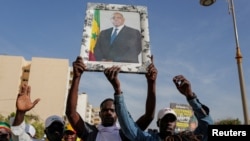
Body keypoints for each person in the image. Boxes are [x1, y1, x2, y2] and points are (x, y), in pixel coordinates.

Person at [104, 66, 213, 141]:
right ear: (158, 123)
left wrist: (190, 97)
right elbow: (129, 128)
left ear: (176, 123)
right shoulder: (149, 139)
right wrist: (118, 91)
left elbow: (207, 127)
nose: (169, 122)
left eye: (172, 119)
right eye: (165, 119)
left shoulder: (184, 139)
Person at [65, 56, 157, 141]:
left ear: (118, 114)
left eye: (112, 110)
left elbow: (149, 116)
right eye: (105, 110)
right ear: (100, 114)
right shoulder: (91, 133)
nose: (108, 113)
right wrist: (76, 77)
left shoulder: (126, 134)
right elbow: (71, 113)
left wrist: (151, 82)